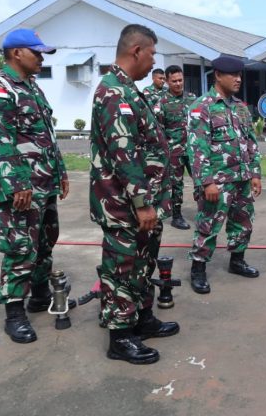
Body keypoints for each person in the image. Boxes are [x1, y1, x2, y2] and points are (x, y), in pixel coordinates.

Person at [90, 24, 179, 364]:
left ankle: (141, 319)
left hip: (142, 204)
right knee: (122, 269)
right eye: (153, 53)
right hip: (123, 205)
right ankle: (120, 336)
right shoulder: (114, 93)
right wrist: (142, 204)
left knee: (142, 264)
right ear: (137, 51)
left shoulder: (129, 90)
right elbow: (123, 154)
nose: (154, 60)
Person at [0, 28, 69, 343]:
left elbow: (47, 136)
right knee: (20, 247)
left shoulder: (33, 88)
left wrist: (61, 172)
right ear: (16, 53)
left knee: (46, 240)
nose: (42, 57)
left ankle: (40, 293)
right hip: (21, 188)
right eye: (37, 52)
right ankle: (14, 312)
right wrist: (17, 185)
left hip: (45, 183)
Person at [186, 56, 262, 294]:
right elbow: (197, 148)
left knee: (243, 222)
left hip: (242, 178)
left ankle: (237, 261)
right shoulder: (202, 106)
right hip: (217, 182)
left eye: (240, 75)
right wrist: (206, 182)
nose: (238, 79)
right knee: (208, 225)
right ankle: (198, 270)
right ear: (218, 75)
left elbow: (250, 142)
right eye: (233, 75)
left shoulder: (240, 107)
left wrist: (255, 174)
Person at [154, 65, 195, 230]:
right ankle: (176, 216)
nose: (178, 84)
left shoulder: (193, 99)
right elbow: (158, 132)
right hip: (174, 152)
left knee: (201, 181)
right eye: (174, 81)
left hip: (193, 150)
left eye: (180, 80)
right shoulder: (161, 103)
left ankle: (206, 213)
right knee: (176, 185)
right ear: (167, 81)